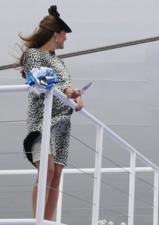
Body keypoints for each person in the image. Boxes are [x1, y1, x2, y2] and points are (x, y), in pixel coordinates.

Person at [19, 5, 83, 220]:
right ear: (56, 34)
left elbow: (65, 84)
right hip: (43, 120)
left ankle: (47, 221)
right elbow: (39, 78)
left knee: (56, 174)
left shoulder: (60, 61)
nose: (66, 39)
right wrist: (66, 90)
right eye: (65, 34)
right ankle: (38, 220)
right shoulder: (33, 55)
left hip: (63, 121)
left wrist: (75, 96)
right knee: (46, 170)